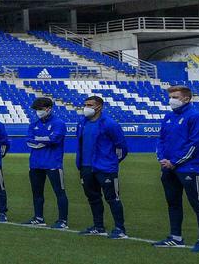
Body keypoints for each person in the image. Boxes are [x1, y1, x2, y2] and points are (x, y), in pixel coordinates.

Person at [155, 84, 199, 251]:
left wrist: (175, 162)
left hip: (189, 168)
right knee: (173, 203)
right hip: (168, 168)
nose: (171, 100)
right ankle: (175, 237)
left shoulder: (196, 117)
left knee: (198, 204)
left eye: (175, 97)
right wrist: (162, 158)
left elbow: (195, 144)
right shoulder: (168, 117)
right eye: (170, 97)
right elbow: (160, 140)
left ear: (186, 99)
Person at [75, 95, 128, 238]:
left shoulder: (110, 124)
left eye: (90, 105)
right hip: (86, 167)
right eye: (85, 104)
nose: (86, 108)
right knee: (93, 197)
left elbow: (122, 147)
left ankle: (120, 228)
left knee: (112, 198)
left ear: (99, 107)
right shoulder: (82, 123)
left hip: (105, 168)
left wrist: (111, 162)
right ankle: (98, 226)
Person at [24, 95, 69, 229]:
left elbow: (54, 139)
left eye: (40, 109)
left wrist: (40, 140)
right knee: (37, 193)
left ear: (49, 109)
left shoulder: (58, 123)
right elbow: (29, 140)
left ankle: (63, 220)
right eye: (36, 109)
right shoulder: (34, 124)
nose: (38, 111)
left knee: (59, 192)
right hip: (35, 163)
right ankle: (38, 218)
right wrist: (44, 140)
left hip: (53, 163)